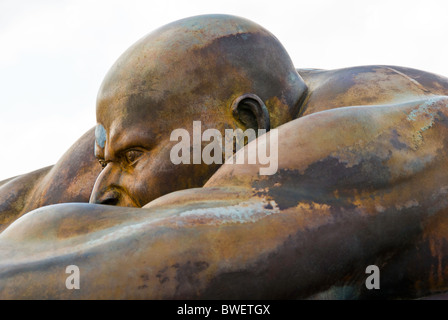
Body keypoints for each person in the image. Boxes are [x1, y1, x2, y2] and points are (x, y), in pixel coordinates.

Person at [0, 14, 447, 299]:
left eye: (134, 157)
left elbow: (173, 258)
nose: (100, 193)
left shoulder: (386, 141)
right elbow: (25, 201)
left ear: (247, 125)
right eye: (106, 161)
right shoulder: (176, 115)